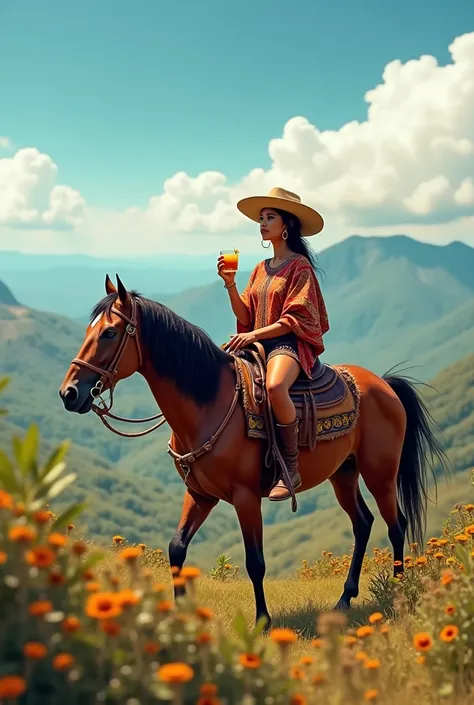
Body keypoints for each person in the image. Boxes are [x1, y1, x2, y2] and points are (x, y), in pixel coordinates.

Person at [217, 186, 329, 502]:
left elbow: (295, 318)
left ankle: (290, 468)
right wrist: (230, 285)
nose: (263, 223)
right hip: (257, 344)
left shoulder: (300, 267)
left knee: (275, 387)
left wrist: (253, 335)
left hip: (287, 345)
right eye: (262, 218)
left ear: (287, 226)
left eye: (270, 217)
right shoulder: (258, 268)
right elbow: (245, 314)